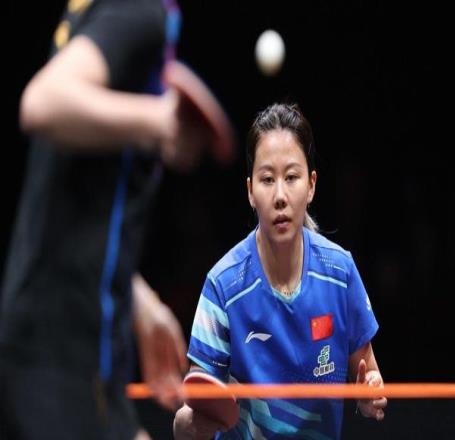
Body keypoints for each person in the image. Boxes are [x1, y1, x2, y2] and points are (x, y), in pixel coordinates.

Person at [0, 0, 233, 439]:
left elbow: (73, 200)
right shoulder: (140, 10)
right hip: (66, 352)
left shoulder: (92, 13)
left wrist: (138, 302)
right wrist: (161, 121)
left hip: (52, 341)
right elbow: (43, 101)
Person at [173, 103, 387, 439]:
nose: (280, 196)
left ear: (311, 185)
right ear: (250, 192)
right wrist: (185, 424)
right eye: (267, 179)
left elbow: (368, 375)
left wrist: (368, 394)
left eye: (291, 177)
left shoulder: (340, 272)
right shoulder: (223, 286)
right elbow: (199, 403)